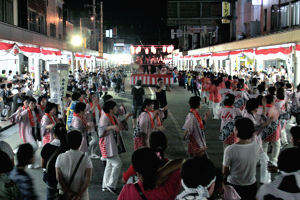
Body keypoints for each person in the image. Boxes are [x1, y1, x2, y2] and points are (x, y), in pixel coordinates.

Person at [118, 148, 184, 200]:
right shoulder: (169, 189)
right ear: (158, 168)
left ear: (138, 174)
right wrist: (161, 174)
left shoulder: (128, 191)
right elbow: (182, 162)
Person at [99, 100, 132, 195]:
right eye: (114, 107)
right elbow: (101, 131)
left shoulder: (112, 116)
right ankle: (111, 185)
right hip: (107, 144)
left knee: (109, 165)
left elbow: (119, 126)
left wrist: (127, 117)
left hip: (111, 144)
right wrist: (112, 128)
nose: (116, 108)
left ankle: (105, 185)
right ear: (110, 109)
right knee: (117, 163)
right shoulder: (105, 117)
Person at [223, 118, 260, 200]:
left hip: (234, 184)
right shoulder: (256, 147)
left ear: (237, 131)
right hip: (251, 184)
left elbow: (225, 171)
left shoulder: (230, 149)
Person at [55, 130, 93, 200]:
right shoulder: (86, 158)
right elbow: (88, 179)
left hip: (65, 194)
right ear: (81, 142)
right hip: (82, 195)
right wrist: (79, 194)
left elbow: (58, 178)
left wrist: (69, 192)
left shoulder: (60, 157)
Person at [41, 123, 69, 200]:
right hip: (65, 179)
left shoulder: (47, 147)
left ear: (54, 134)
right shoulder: (68, 147)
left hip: (51, 179)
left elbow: (43, 165)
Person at [16, 97, 41, 168]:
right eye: (31, 103)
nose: (33, 105)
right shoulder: (26, 112)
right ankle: (29, 161)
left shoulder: (36, 111)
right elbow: (19, 119)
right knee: (35, 146)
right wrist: (19, 115)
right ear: (28, 104)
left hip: (34, 131)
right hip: (28, 132)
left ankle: (27, 158)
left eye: (34, 103)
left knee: (33, 146)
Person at [87, 92, 102, 159]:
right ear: (90, 98)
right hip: (91, 124)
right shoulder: (88, 105)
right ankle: (87, 149)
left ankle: (93, 153)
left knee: (97, 139)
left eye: (95, 96)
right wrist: (94, 105)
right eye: (92, 97)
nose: (94, 98)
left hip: (97, 124)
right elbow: (89, 113)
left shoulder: (99, 105)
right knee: (95, 139)